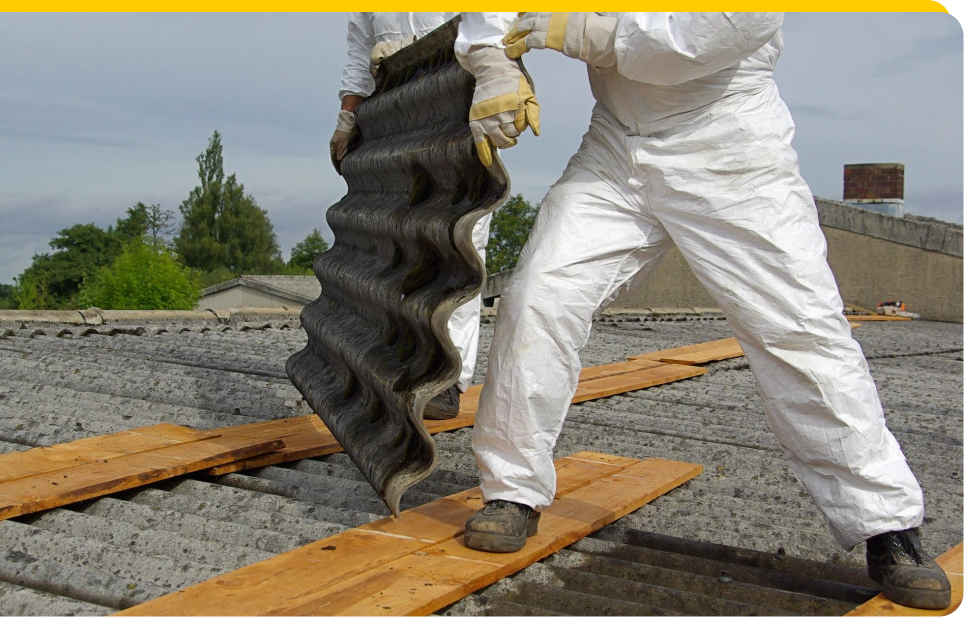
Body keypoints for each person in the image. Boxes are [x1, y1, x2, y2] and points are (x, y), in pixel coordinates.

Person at [454, 12, 951, 610]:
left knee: (799, 332)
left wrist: (577, 31)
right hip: (616, 146)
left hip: (730, 148)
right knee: (538, 297)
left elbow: (688, 44)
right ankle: (512, 492)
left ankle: (887, 526)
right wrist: (491, 65)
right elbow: (495, 15)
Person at [333, 12, 492, 419]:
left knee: (460, 245)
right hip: (399, 124)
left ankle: (448, 378)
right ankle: (400, 362)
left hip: (461, 116)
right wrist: (349, 115)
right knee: (398, 244)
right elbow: (358, 52)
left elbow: (492, 26)